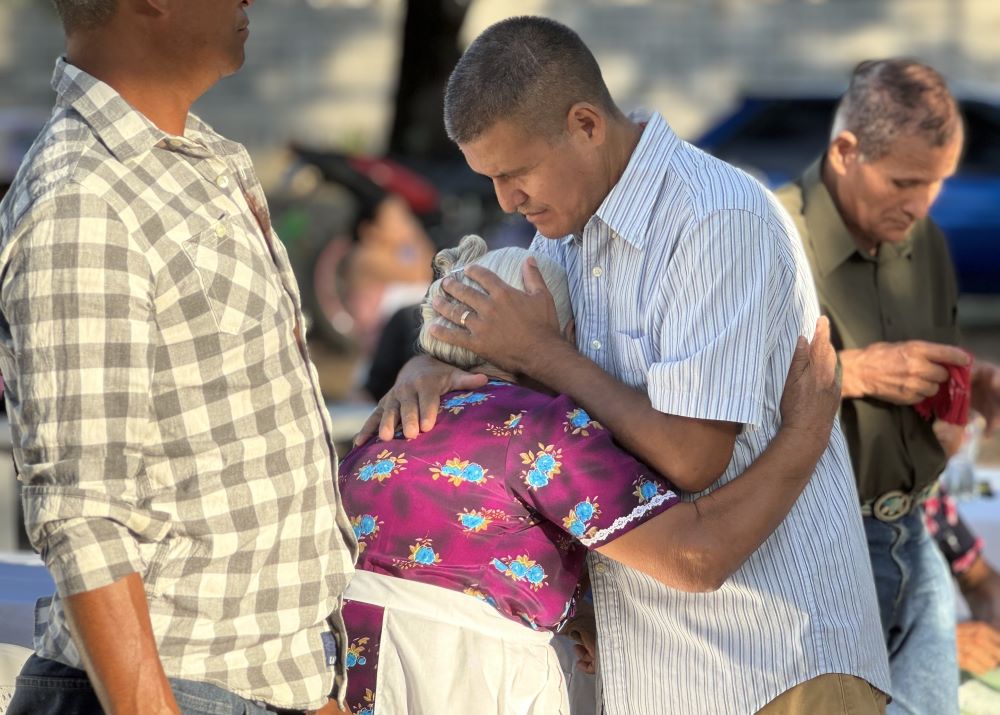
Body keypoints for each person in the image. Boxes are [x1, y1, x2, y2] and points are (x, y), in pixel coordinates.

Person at [358, 15, 891, 715]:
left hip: (774, 660)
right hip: (664, 665)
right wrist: (421, 370)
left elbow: (692, 457)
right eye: (488, 178)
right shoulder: (567, 231)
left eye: (515, 172)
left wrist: (542, 352)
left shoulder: (714, 219)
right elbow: (502, 364)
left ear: (585, 124)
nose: (505, 201)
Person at [0, 1, 355, 713]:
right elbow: (81, 514)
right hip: (174, 690)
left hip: (254, 684)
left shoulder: (201, 160)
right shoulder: (84, 197)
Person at [340, 234, 842, 714]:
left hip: (343, 676)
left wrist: (575, 609)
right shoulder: (533, 426)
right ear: (561, 333)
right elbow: (695, 556)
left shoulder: (386, 429)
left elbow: (441, 569)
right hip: (459, 683)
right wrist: (805, 435)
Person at [774, 58, 1000, 714]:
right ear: (845, 151)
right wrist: (858, 370)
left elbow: (935, 405)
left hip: (916, 542)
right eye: (905, 181)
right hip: (816, 555)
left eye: (937, 183)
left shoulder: (923, 240)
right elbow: (721, 394)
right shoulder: (768, 235)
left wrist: (963, 397)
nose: (923, 205)